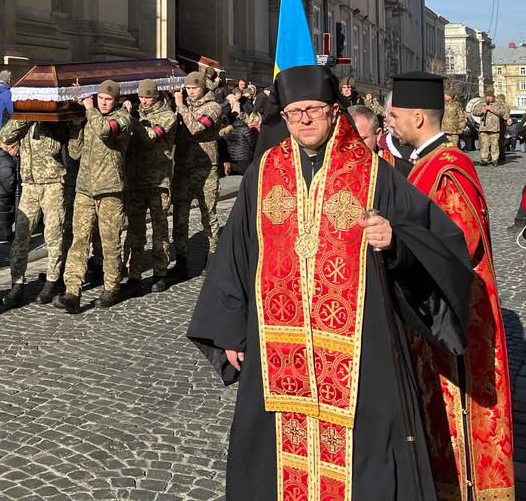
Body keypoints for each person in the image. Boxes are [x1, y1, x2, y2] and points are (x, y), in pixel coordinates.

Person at [187, 64, 472, 501]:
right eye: (294, 112)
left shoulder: (374, 174)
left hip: (359, 350)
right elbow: (235, 253)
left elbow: (441, 241)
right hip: (276, 348)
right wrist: (229, 329)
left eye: (313, 110)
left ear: (334, 111)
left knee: (366, 455)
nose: (303, 120)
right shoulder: (263, 173)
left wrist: (396, 241)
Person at [387, 71, 515, 499]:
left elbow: (459, 244)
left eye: (395, 116)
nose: (390, 123)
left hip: (454, 310)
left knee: (457, 407)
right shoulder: (425, 163)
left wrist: (396, 244)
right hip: (430, 306)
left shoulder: (447, 169)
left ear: (418, 118)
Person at [55, 81, 131, 313]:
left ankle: (112, 287)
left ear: (116, 101)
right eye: (100, 99)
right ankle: (72, 291)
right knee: (79, 240)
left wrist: (89, 110)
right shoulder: (92, 118)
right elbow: (74, 152)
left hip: (110, 190)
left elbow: (105, 130)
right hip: (85, 189)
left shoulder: (122, 119)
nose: (103, 103)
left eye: (108, 99)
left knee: (109, 242)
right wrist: (77, 127)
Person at [0, 118, 70, 308]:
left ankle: (52, 281)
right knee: (21, 236)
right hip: (29, 185)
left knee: (54, 236)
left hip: (53, 184)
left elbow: (60, 143)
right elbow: (5, 136)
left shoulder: (55, 122)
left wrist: (47, 121)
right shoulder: (24, 122)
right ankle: (17, 284)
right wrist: (25, 118)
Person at [124, 79, 177, 293]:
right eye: (141, 97)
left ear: (156, 97)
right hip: (136, 180)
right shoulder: (136, 114)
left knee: (159, 229)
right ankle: (133, 274)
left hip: (158, 181)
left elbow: (150, 136)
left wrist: (130, 118)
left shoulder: (167, 116)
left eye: (148, 97)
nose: (144, 101)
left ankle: (160, 272)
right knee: (135, 230)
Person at [169, 71, 223, 282]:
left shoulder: (213, 107)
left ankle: (212, 257)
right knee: (179, 216)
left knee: (208, 214)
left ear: (203, 88)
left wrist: (180, 105)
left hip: (205, 169)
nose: (190, 92)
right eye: (188, 88)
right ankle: (181, 260)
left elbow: (195, 128)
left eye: (194, 88)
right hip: (183, 167)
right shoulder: (184, 107)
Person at [477, 92, 505, 166]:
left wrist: (492, 109)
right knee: (484, 145)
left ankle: (494, 159)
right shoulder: (481, 103)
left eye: (490, 96)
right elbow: (474, 112)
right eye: (487, 96)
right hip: (484, 128)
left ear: (493, 97)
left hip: (494, 128)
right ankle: (484, 159)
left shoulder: (498, 104)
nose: (488, 98)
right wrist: (481, 111)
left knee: (494, 145)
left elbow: (503, 112)